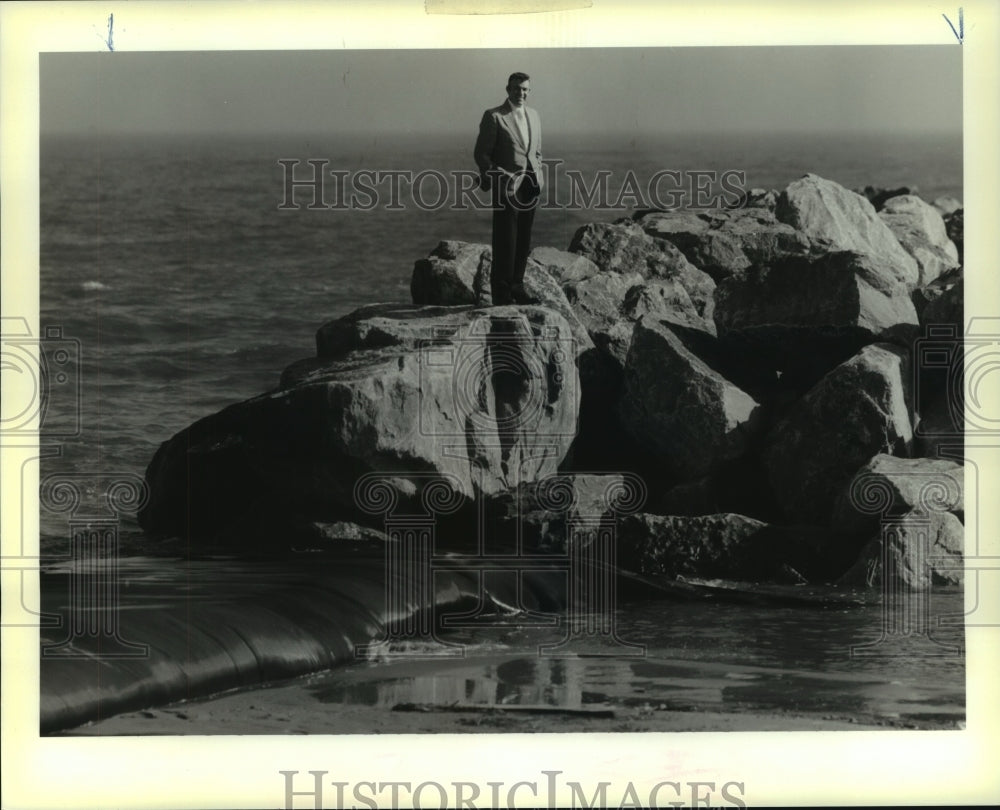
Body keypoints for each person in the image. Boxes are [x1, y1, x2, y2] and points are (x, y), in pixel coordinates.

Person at [474, 72, 544, 306]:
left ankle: (517, 287)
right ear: (507, 89)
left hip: (530, 184)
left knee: (523, 237)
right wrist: (497, 176)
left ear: (529, 91)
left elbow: (536, 150)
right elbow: (481, 154)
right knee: (506, 240)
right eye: (516, 89)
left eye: (525, 89)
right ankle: (502, 296)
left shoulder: (534, 115)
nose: (520, 93)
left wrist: (538, 172)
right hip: (507, 186)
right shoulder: (494, 116)